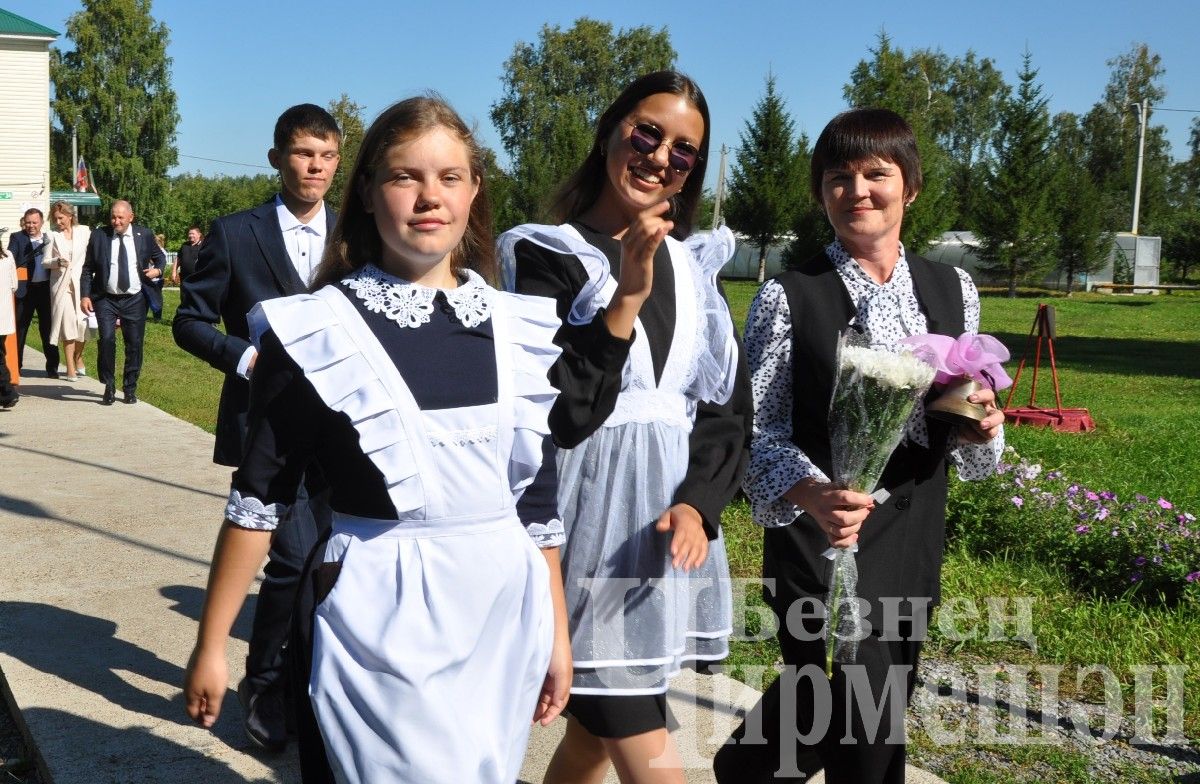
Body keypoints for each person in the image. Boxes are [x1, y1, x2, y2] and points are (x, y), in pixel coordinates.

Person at [183, 95, 572, 784]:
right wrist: (213, 644)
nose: (430, 197)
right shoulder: (316, 333)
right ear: (365, 191)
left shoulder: (518, 331)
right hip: (376, 621)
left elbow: (536, 507)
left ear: (475, 188)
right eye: (404, 177)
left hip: (499, 619)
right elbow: (257, 500)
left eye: (450, 177)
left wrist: (557, 638)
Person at [714, 108, 1005, 784]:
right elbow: (755, 432)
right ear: (821, 193)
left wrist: (982, 425)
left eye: (877, 173)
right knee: (861, 721)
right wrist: (814, 493)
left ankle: (746, 770)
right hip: (821, 535)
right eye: (838, 177)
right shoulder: (790, 296)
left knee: (857, 706)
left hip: (910, 533)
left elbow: (964, 423)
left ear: (911, 187)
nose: (858, 190)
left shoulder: (952, 289)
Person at [499, 70, 751, 784]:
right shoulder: (544, 254)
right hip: (578, 534)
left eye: (684, 150)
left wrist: (700, 504)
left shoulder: (696, 268)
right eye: (647, 133)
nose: (660, 157)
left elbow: (726, 411)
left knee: (592, 734)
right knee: (638, 737)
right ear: (610, 131)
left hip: (665, 538)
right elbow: (565, 413)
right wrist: (626, 299)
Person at [173, 103, 341, 753]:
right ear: (277, 158)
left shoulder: (357, 234)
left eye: (327, 157)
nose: (315, 168)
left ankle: (314, 682)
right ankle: (265, 685)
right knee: (293, 556)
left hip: (347, 428)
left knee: (331, 562)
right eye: (304, 154)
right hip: (266, 421)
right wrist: (246, 357)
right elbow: (190, 321)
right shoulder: (235, 234)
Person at [80, 200, 166, 405]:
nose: (116, 221)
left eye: (120, 217)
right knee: (107, 339)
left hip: (134, 298)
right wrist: (85, 295)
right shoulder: (100, 235)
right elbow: (86, 268)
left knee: (134, 344)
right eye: (113, 217)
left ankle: (129, 388)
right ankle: (109, 386)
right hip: (106, 298)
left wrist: (158, 270)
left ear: (130, 217)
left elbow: (160, 258)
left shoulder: (143, 235)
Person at [44, 201, 92, 381]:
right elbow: (45, 261)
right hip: (61, 286)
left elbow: (91, 256)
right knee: (68, 326)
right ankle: (70, 367)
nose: (58, 222)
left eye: (61, 218)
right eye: (55, 219)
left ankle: (77, 356)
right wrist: (56, 262)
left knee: (83, 324)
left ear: (70, 216)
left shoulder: (85, 232)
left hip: (81, 284)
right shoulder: (51, 235)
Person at [8, 208, 58, 378]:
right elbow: (11, 258)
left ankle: (52, 367)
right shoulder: (17, 238)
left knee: (48, 330)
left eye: (34, 222)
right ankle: (16, 366)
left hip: (45, 290)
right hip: (25, 292)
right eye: (28, 222)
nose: (31, 226)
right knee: (21, 329)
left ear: (41, 223)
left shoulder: (49, 239)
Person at [1, 231, 18, 408]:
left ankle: (7, 392)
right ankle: (6, 393)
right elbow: (14, 285)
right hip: (4, 318)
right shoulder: (8, 256)